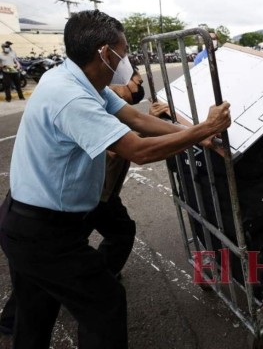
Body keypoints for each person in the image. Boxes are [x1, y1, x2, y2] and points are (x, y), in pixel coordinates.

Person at [0, 9, 231, 349]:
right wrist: (205, 128)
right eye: (124, 52)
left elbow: (137, 120)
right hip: (44, 232)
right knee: (103, 305)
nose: (128, 60)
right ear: (105, 53)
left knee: (34, 317)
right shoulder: (73, 98)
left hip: (30, 222)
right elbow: (138, 150)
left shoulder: (78, 79)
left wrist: (197, 136)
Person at [0, 67, 167, 336]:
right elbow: (125, 151)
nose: (139, 88)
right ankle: (91, 280)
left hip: (58, 206)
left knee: (36, 285)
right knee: (90, 290)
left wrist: (169, 127)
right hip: (75, 204)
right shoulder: (85, 105)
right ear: (119, 83)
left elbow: (136, 122)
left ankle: (18, 317)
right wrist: (202, 132)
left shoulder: (94, 95)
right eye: (136, 82)